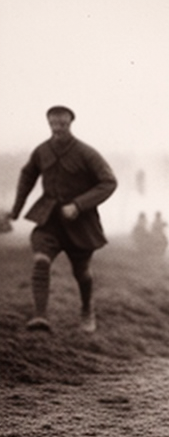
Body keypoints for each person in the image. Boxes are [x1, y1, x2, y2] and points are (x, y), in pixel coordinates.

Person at [9, 105, 117, 333]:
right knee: (40, 259)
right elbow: (27, 177)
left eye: (62, 124)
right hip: (48, 220)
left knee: (82, 273)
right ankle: (40, 317)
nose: (58, 128)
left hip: (81, 225)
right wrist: (15, 212)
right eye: (53, 124)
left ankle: (88, 310)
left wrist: (79, 205)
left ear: (70, 124)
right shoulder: (41, 151)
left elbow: (109, 182)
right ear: (49, 124)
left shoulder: (86, 153)